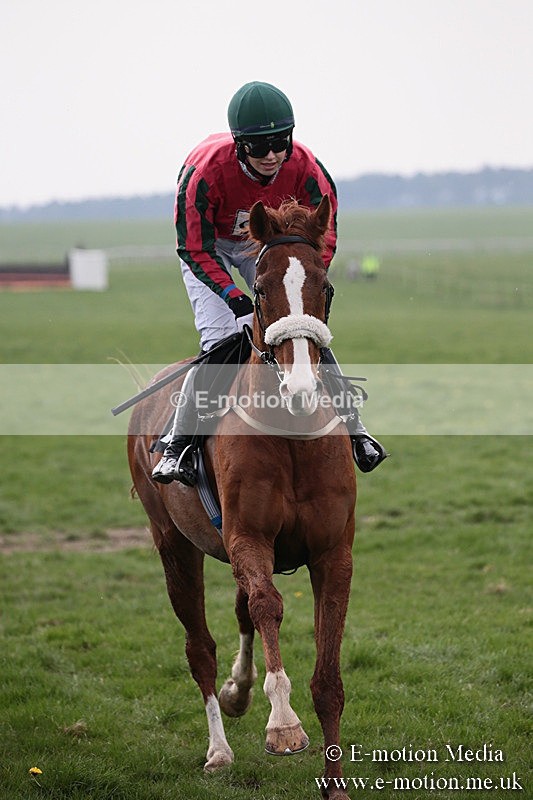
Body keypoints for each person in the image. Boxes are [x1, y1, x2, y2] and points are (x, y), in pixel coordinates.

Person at [152, 81, 387, 486]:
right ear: (240, 144)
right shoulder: (204, 173)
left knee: (305, 330)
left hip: (273, 243)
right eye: (260, 147)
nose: (273, 155)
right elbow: (193, 248)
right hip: (213, 248)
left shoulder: (308, 169)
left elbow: (323, 237)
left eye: (281, 143)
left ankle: (357, 429)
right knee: (223, 339)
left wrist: (307, 284)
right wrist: (234, 297)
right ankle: (179, 443)